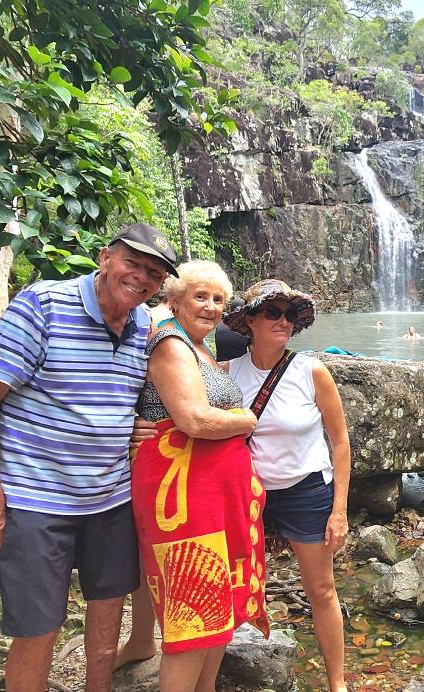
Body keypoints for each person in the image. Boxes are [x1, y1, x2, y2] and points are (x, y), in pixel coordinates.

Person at [0, 223, 177, 692]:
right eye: (132, 263)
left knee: (105, 619)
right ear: (104, 257)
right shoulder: (43, 305)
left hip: (110, 498)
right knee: (37, 631)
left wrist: (138, 427)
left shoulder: (146, 326)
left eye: (154, 273)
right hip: (37, 499)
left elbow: (148, 396)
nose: (141, 278)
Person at [131, 260, 265, 691]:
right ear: (174, 301)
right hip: (185, 501)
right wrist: (245, 420)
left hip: (214, 497)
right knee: (193, 611)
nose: (210, 306)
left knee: (217, 605)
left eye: (218, 300)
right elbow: (192, 419)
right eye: (200, 296)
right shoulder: (170, 342)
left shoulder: (202, 347)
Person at [224, 280, 351, 692]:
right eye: (273, 312)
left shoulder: (311, 371)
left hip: (306, 491)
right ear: (250, 320)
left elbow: (340, 442)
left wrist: (339, 511)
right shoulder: (226, 374)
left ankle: (337, 684)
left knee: (320, 589)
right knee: (233, 581)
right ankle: (215, 672)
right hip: (250, 494)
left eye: (289, 314)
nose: (283, 321)